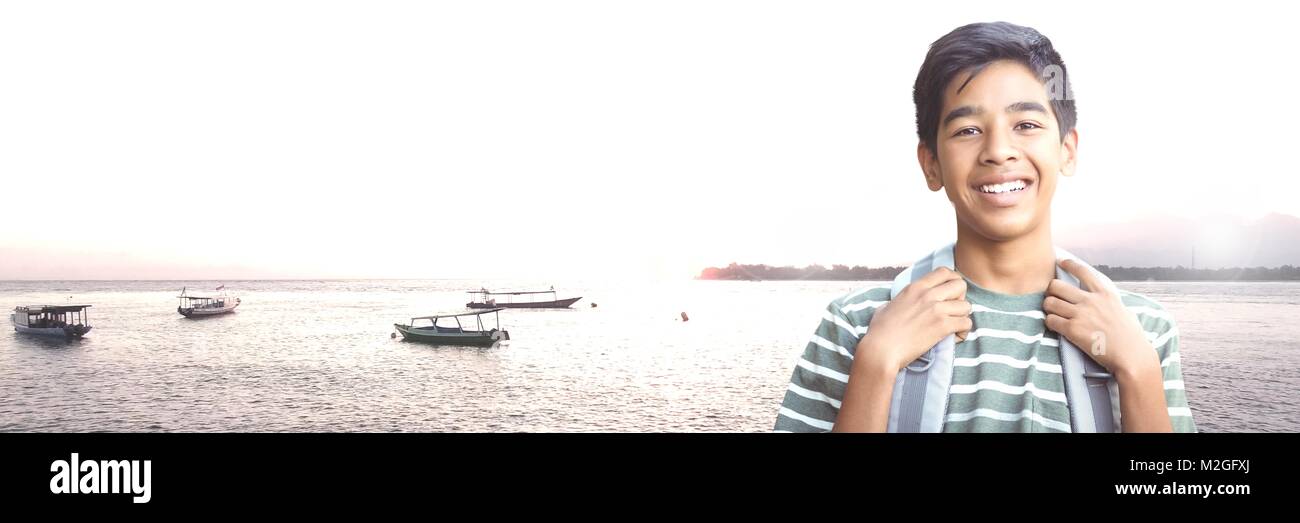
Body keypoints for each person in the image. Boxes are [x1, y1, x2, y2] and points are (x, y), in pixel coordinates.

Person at [775, 22, 1194, 433]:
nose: (997, 151)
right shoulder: (858, 323)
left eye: (1026, 125)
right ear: (932, 164)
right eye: (967, 130)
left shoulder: (1139, 327)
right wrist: (876, 363)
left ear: (1066, 150)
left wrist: (1138, 370)